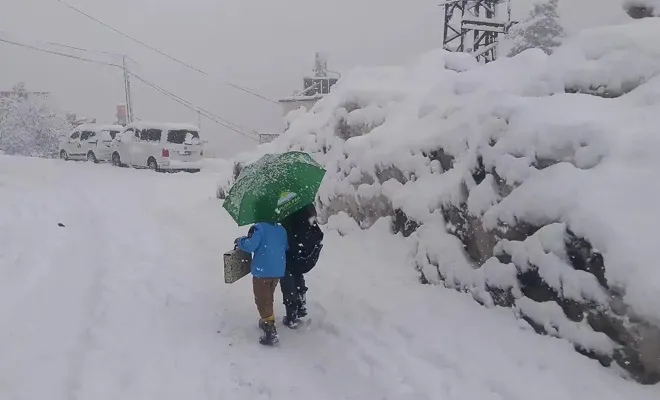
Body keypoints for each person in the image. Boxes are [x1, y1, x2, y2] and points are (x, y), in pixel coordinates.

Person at [235, 221, 288, 345]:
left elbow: (251, 246)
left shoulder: (260, 228)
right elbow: (285, 247)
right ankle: (267, 319)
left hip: (263, 270)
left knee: (261, 299)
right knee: (268, 297)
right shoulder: (281, 229)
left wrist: (240, 241)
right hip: (277, 270)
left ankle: (270, 331)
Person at [280, 203, 324, 328]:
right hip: (306, 248)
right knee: (297, 272)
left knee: (287, 275)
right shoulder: (303, 201)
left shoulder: (285, 206)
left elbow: (286, 229)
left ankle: (292, 314)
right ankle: (301, 305)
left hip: (293, 246)